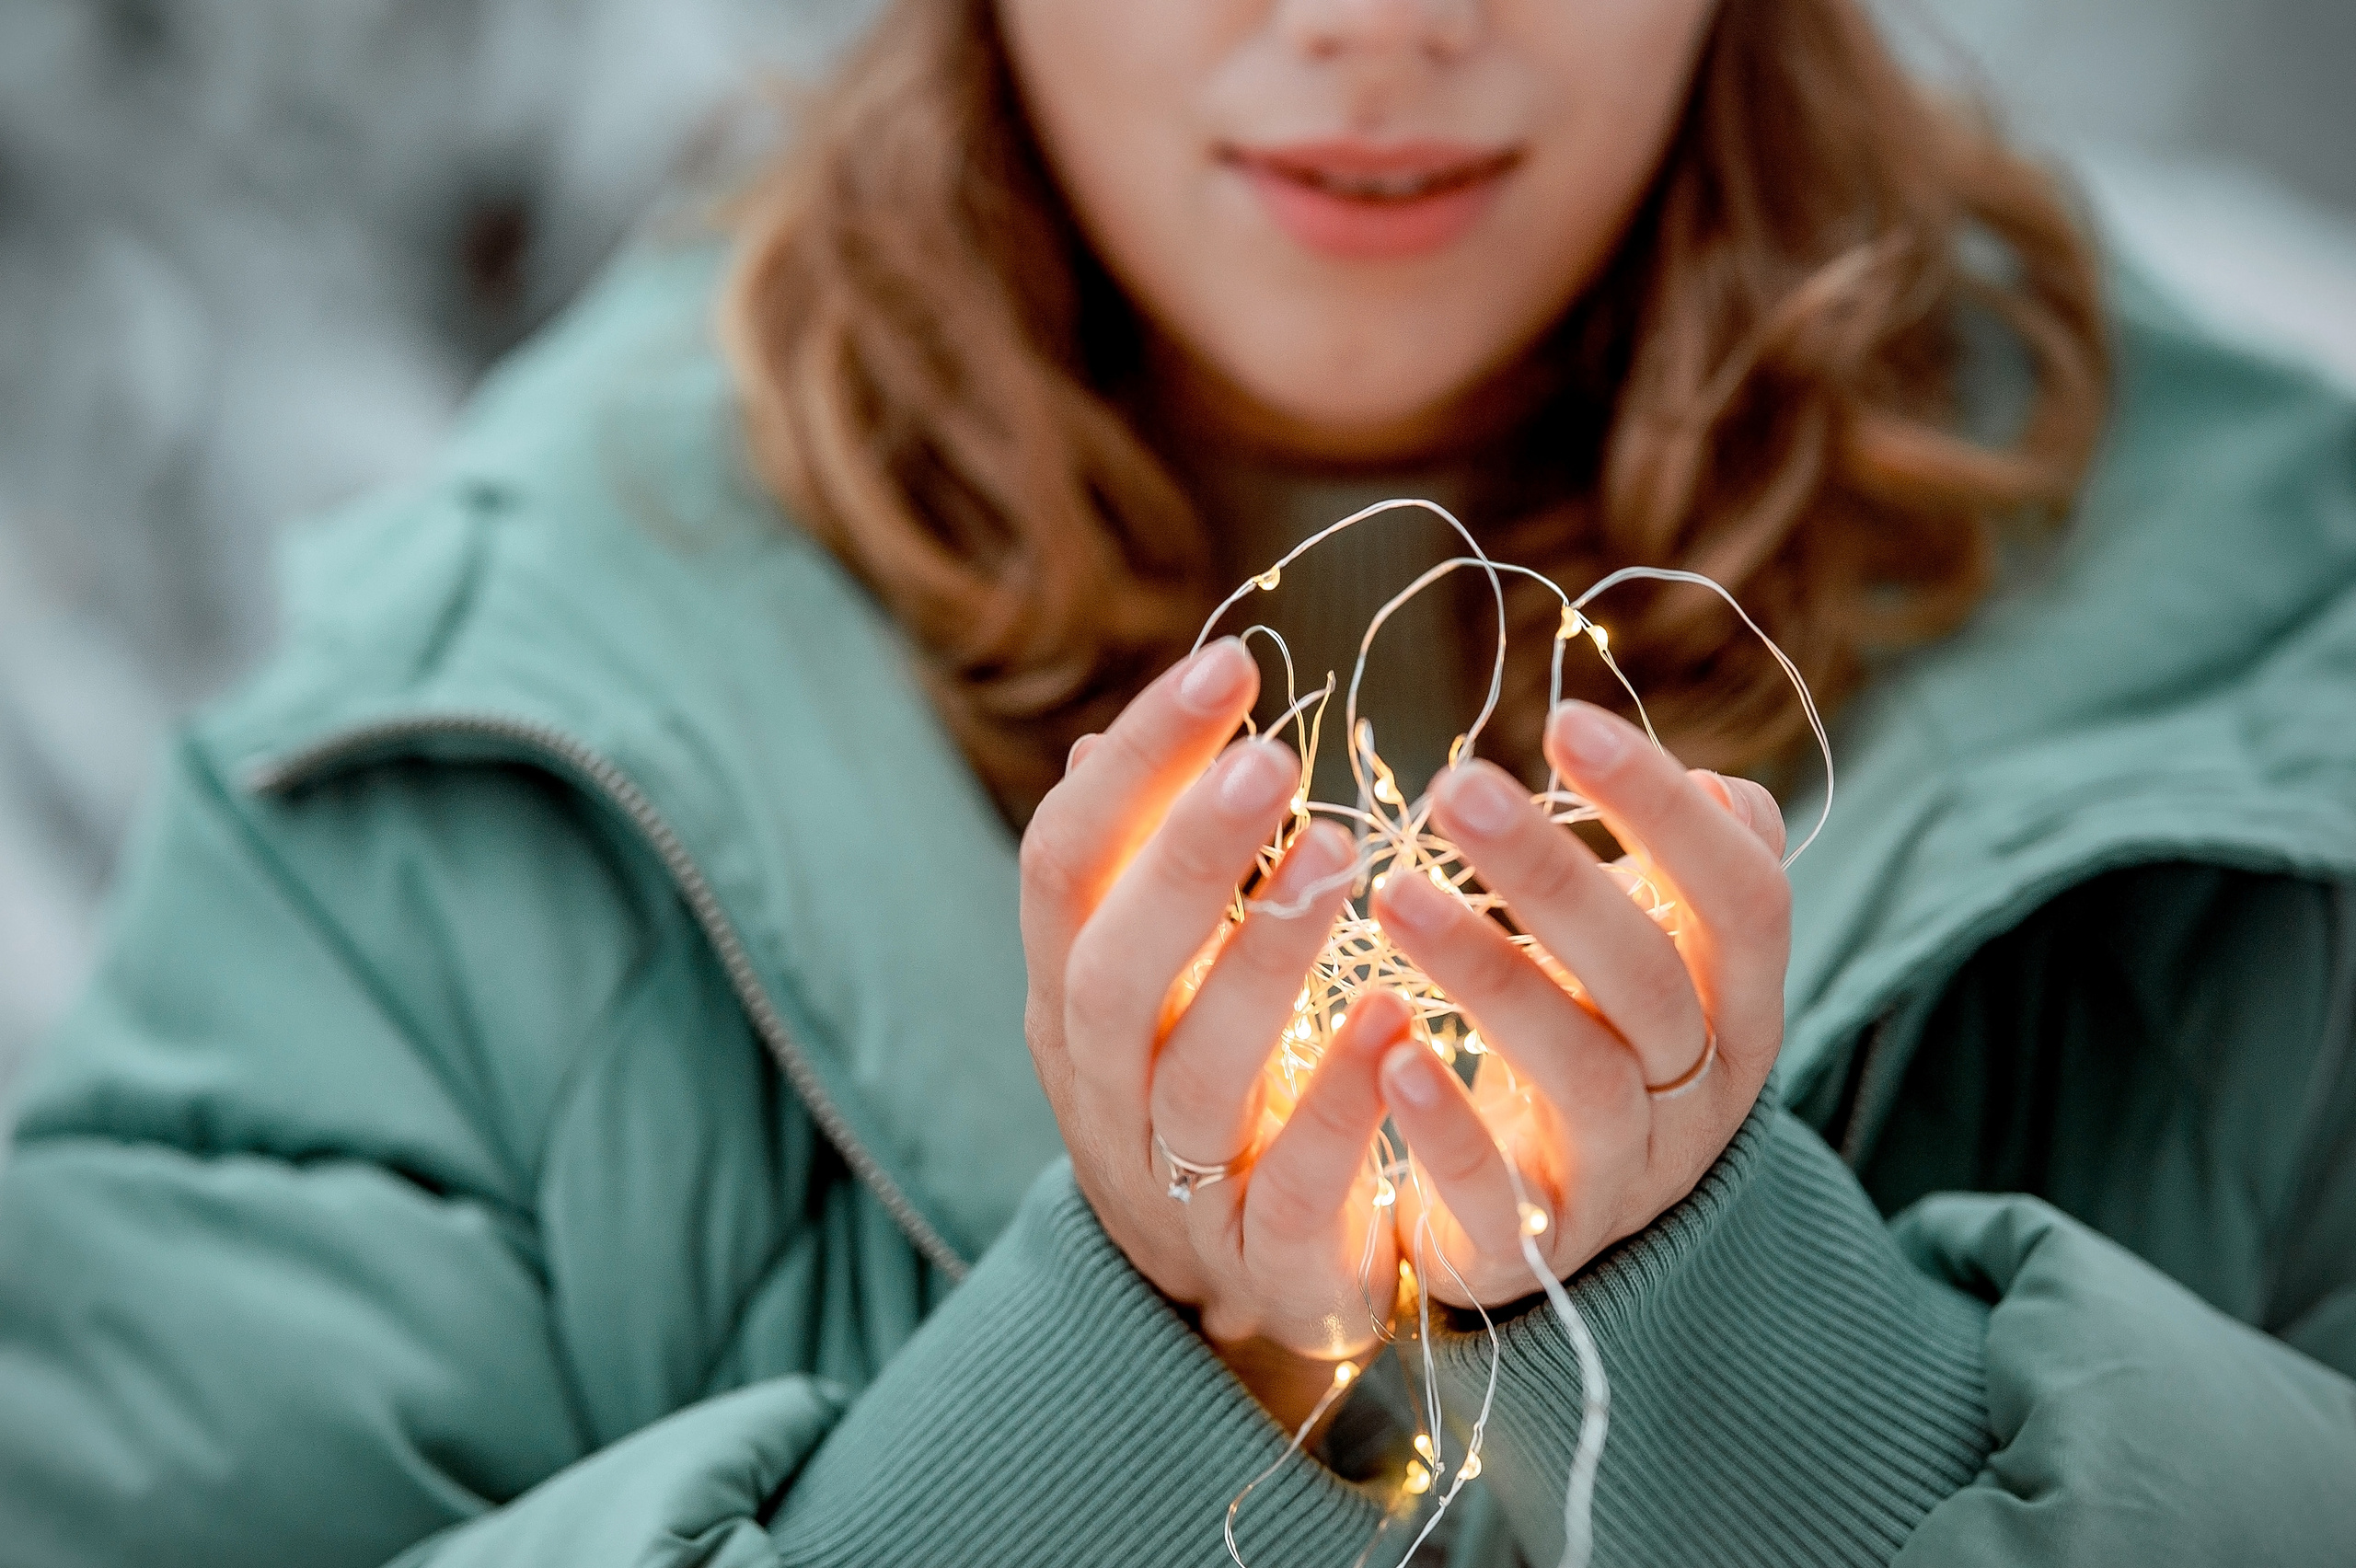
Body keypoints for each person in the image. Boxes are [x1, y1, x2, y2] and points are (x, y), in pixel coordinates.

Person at [2, 0, 2350, 1562]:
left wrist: (1748, 1343)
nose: (1368, 25)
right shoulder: (441, 778)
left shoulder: (2286, 674)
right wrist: (1132, 1394)